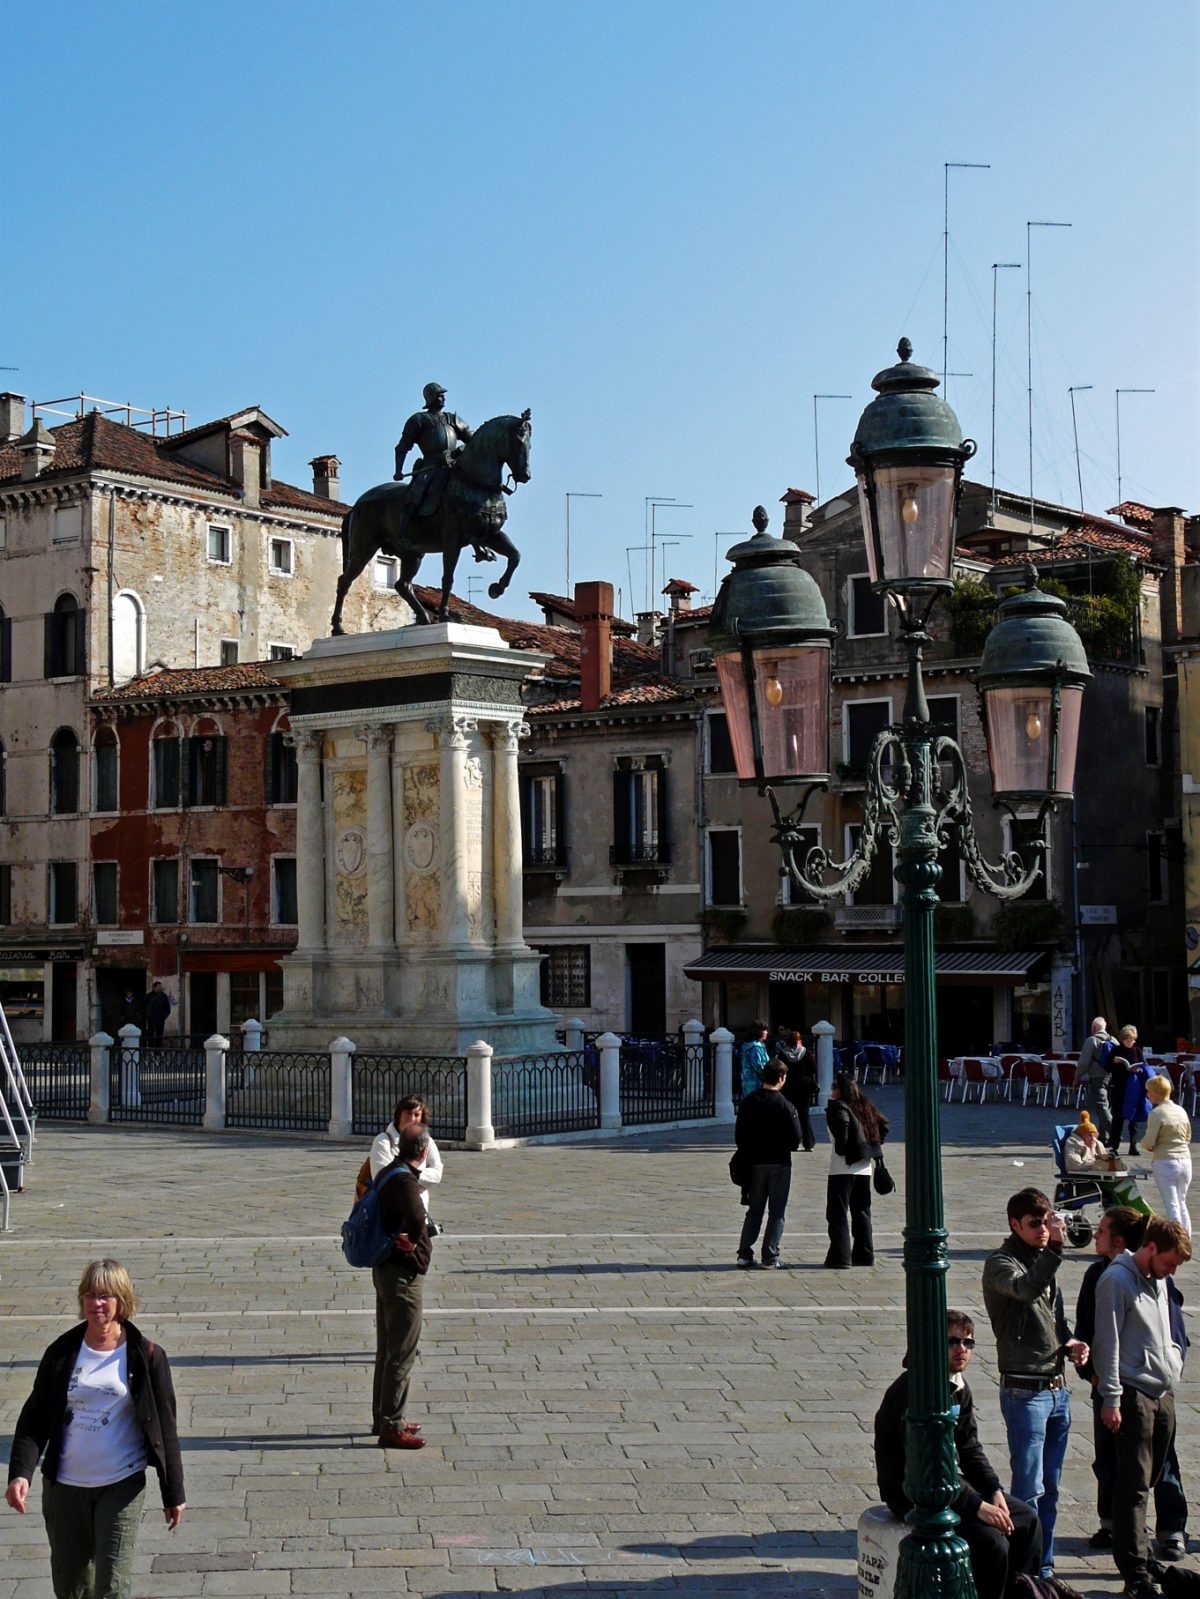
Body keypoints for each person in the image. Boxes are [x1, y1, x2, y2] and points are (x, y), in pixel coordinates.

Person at [6, 1259, 185, 1599]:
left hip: (121, 1485)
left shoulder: (147, 1356)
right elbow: (35, 1417)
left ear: (122, 1300)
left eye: (104, 1295)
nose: (95, 1303)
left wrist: (173, 1492)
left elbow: (166, 1427)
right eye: (89, 1294)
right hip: (65, 1488)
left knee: (112, 1587)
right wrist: (20, 1474)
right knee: (71, 1588)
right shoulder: (61, 1353)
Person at [874, 1310, 1044, 1599]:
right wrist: (977, 1505)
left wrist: (993, 1489)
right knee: (992, 1541)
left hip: (949, 1484)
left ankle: (1023, 1592)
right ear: (933, 1344)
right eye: (953, 1342)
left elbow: (969, 1447)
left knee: (1027, 1521)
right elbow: (926, 1465)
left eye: (968, 1343)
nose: (962, 1349)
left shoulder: (958, 1388)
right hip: (914, 1490)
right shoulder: (914, 1391)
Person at [981, 1188, 1090, 1581]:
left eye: (1046, 1222)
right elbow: (1025, 1290)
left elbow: (1053, 1317)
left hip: (1057, 1388)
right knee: (1028, 1489)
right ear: (1015, 1224)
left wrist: (1071, 1342)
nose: (1044, 1230)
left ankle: (1044, 1567)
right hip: (1024, 1390)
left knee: (1052, 1487)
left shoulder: (1042, 1260)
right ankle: (1022, 1571)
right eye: (1035, 1224)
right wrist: (1056, 1251)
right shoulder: (1000, 1264)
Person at [1074, 1207, 1190, 1563]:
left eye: (1102, 1230)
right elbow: (1099, 1335)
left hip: (1158, 1387)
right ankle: (1130, 1552)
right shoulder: (1107, 1277)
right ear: (1152, 1249)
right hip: (1126, 1390)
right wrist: (1103, 1386)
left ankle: (1168, 1530)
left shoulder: (1158, 1279)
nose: (1095, 1235)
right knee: (1125, 1476)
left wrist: (1172, 1362)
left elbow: (1172, 1328)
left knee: (1158, 1467)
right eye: (1170, 1263)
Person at [372, 1122, 434, 1449]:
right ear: (422, 1151)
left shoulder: (387, 1174)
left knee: (386, 1350)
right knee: (401, 1352)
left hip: (383, 1270)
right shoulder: (407, 1183)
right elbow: (418, 1223)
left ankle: (382, 1416)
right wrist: (417, 1249)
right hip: (401, 1277)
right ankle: (392, 1425)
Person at [734, 1059, 802, 1269]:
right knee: (777, 1211)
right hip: (779, 1163)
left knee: (754, 1210)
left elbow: (739, 1136)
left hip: (754, 1163)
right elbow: (796, 1138)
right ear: (781, 1079)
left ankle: (745, 1254)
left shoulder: (749, 1102)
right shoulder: (785, 1105)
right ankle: (770, 1256)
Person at [824, 1071, 888, 1269]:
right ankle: (864, 1254)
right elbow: (884, 1124)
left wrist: (842, 1146)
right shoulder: (865, 1106)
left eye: (834, 1087)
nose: (831, 1091)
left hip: (842, 1167)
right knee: (861, 1211)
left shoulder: (840, 1108)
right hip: (864, 1167)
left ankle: (840, 1256)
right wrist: (871, 1146)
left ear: (840, 1090)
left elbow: (842, 1129)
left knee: (837, 1214)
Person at [367, 1095, 444, 1231]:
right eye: (408, 1113)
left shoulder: (427, 1141)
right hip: (391, 1215)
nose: (412, 1119)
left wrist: (411, 1178)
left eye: (417, 1114)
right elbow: (386, 1179)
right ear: (399, 1115)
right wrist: (417, 1182)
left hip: (419, 1211)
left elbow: (436, 1174)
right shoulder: (383, 1141)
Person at [1140, 1075, 1193, 1235]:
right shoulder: (1181, 1110)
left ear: (1156, 1093)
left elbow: (1149, 1141)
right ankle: (1187, 1238)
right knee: (1181, 1202)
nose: (1147, 1094)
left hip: (1165, 1161)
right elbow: (1188, 1136)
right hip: (1185, 1160)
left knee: (1172, 1205)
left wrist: (1145, 1146)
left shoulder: (1156, 1113)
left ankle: (1175, 1241)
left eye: (1149, 1091)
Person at [775, 1029, 816, 1151]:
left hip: (788, 1088)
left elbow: (780, 1070)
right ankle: (808, 1143)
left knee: (790, 1115)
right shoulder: (806, 1053)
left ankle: (793, 1142)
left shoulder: (783, 1054)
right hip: (804, 1088)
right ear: (799, 1041)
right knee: (805, 1115)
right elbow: (814, 1069)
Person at [1078, 1016, 1116, 1143]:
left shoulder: (1091, 1041)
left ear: (1094, 1028)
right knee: (1107, 1106)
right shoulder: (1114, 1040)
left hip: (1097, 1077)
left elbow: (1083, 1063)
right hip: (1113, 1077)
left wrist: (1076, 1078)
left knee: (1102, 1106)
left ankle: (1114, 1133)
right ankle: (1104, 1137)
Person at [1109, 1026, 1144, 1153]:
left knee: (1133, 1118)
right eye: (1128, 1040)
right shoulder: (1116, 1050)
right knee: (1117, 1117)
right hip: (1119, 1087)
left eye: (1132, 1040)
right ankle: (1114, 1146)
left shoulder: (1137, 1050)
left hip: (1133, 1088)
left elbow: (1143, 1066)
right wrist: (1114, 1062)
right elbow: (1107, 1067)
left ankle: (1133, 1146)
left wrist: (1138, 1069)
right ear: (1122, 1039)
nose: (1130, 1043)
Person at [1063, 1110, 1115, 1174]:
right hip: (1083, 1174)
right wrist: (1096, 1164)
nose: (1093, 1139)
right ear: (1081, 1136)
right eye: (1089, 1135)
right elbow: (1074, 1165)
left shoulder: (1097, 1143)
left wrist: (1110, 1158)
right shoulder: (1074, 1143)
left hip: (1096, 1172)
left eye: (1095, 1135)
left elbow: (1103, 1156)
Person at [739, 1022, 770, 1101]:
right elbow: (759, 1067)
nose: (767, 1032)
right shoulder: (755, 1048)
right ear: (759, 1032)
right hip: (756, 1084)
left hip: (750, 1083)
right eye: (765, 1030)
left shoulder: (757, 1045)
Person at [143, 982, 171, 1047]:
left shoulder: (163, 996)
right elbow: (143, 1005)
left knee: (159, 1034)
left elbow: (167, 1008)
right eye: (158, 987)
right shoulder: (149, 996)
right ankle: (150, 1048)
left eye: (160, 987)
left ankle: (158, 1049)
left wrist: (164, 1016)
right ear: (154, 987)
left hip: (160, 1019)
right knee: (150, 1034)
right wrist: (147, 1015)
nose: (160, 988)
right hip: (151, 1019)